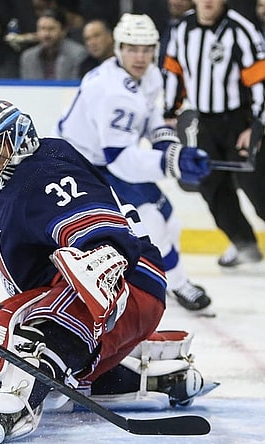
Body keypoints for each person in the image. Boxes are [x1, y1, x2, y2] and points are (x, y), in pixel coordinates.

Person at [0, 100, 214, 443]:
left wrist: (102, 258)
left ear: (18, 141)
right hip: (91, 298)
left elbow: (99, 230)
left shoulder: (45, 171)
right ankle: (154, 375)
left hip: (128, 282)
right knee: (48, 357)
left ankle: (14, 408)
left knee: (23, 327)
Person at [57, 13, 212, 312]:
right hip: (81, 165)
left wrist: (167, 144)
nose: (140, 56)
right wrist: (175, 162)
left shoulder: (149, 75)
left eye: (146, 48)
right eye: (131, 48)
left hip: (105, 159)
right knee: (151, 223)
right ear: (118, 48)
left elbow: (150, 115)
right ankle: (175, 284)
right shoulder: (112, 93)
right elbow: (122, 161)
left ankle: (169, 279)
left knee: (169, 218)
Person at [163, 0, 265, 270]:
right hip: (204, 122)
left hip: (239, 121)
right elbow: (174, 71)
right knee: (212, 186)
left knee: (256, 184)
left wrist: (256, 125)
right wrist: (170, 109)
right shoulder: (183, 28)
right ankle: (243, 243)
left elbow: (261, 80)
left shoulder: (241, 30)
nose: (208, 2)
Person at [19, 7, 87, 80]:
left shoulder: (77, 55)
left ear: (64, 30)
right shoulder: (28, 57)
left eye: (51, 29)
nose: (46, 34)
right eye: (42, 29)